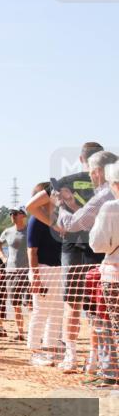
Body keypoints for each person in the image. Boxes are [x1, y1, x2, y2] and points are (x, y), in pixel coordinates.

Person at [27, 142, 104, 370]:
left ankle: (71, 357)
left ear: (81, 159)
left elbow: (31, 206)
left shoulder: (66, 182)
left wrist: (54, 224)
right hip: (96, 245)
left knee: (72, 302)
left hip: (72, 246)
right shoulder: (106, 182)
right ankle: (94, 358)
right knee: (94, 304)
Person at [26, 182, 64, 367]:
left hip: (58, 269)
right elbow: (31, 251)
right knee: (41, 312)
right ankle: (34, 351)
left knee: (57, 312)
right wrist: (36, 277)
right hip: (42, 269)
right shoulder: (36, 219)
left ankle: (50, 351)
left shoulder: (58, 219)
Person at [89, 163, 119, 387]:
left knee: (114, 327)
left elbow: (97, 244)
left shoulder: (110, 207)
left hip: (114, 275)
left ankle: (112, 376)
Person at [0, 207, 31, 342]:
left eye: (15, 213)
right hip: (11, 272)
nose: (12, 216)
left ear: (23, 215)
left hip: (27, 271)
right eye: (11, 214)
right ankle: (20, 332)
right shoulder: (7, 231)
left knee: (30, 304)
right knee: (15, 303)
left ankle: (33, 333)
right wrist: (3, 258)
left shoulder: (30, 230)